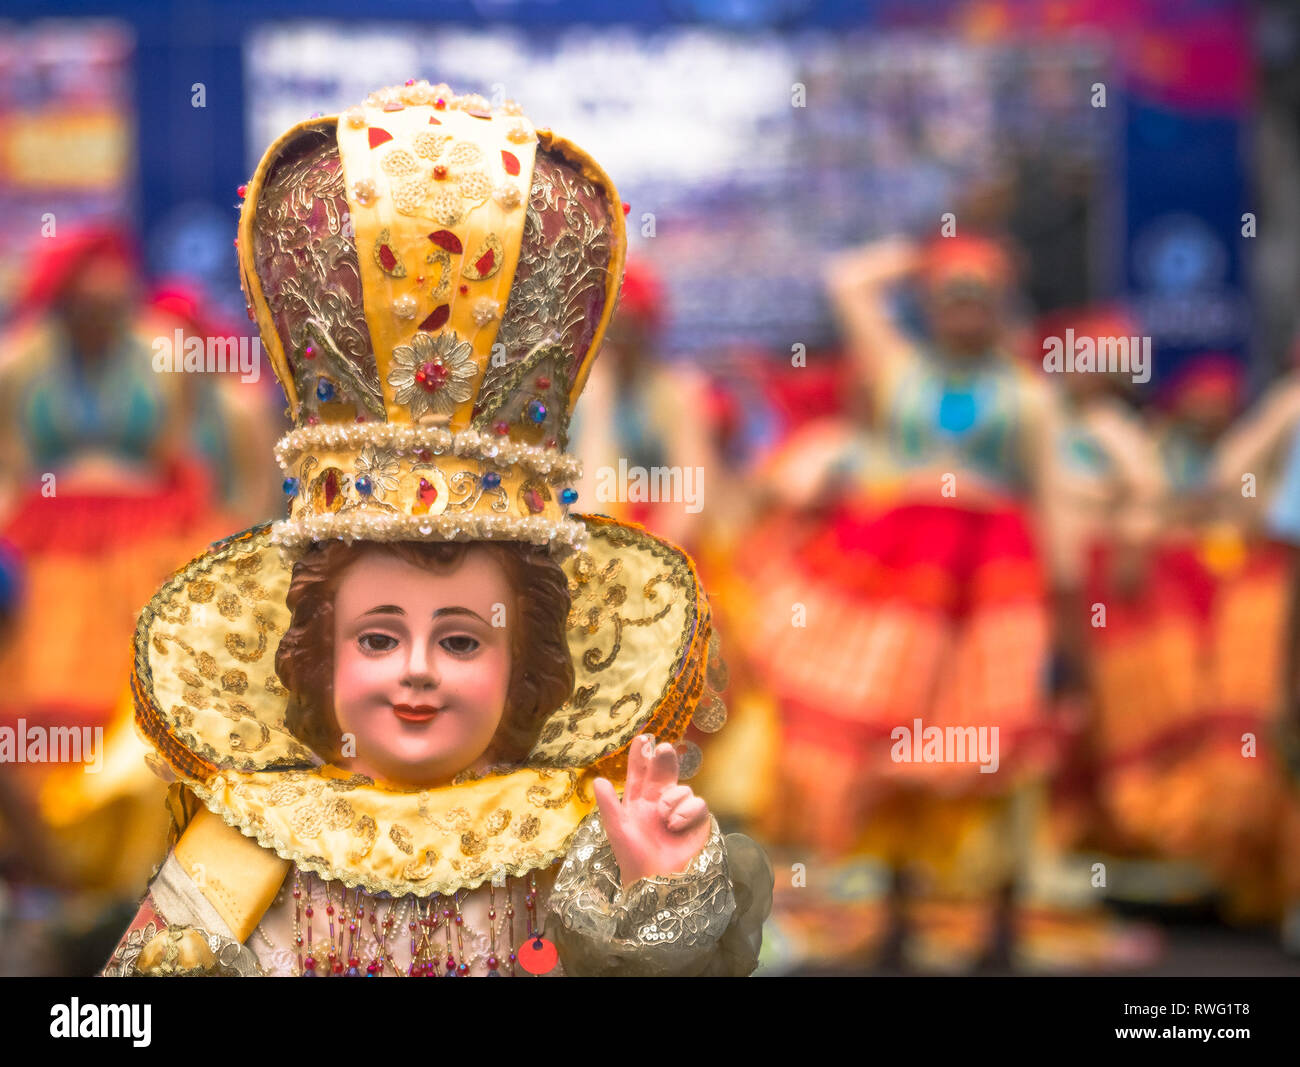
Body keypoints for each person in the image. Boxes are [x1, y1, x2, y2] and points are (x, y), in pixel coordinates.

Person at [103, 81, 771, 977]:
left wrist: (661, 902)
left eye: (461, 640)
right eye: (379, 636)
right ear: (316, 652)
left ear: (527, 662)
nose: (417, 668)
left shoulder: (575, 847)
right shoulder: (245, 848)